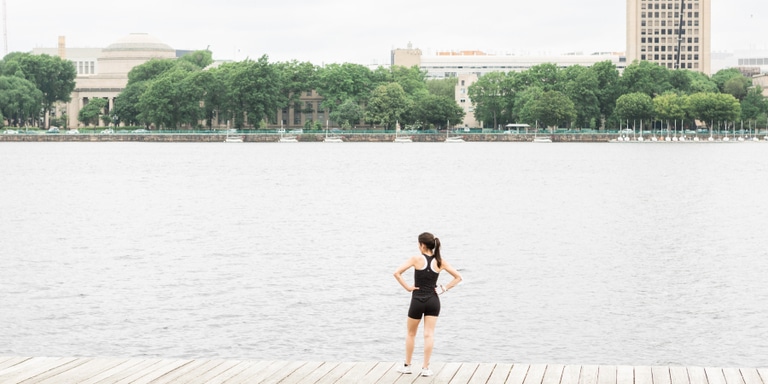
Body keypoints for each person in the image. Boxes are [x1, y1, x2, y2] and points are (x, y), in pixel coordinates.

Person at [393, 232, 462, 377]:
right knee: (429, 335)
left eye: (418, 244)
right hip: (433, 300)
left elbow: (397, 273)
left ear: (422, 245)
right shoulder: (440, 261)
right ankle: (425, 368)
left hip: (417, 300)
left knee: (411, 334)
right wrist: (443, 288)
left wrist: (407, 288)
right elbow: (458, 277)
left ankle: (407, 366)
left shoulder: (416, 259)